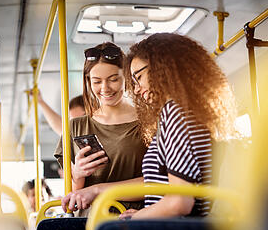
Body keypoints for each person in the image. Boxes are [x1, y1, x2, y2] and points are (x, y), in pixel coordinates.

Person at [119, 33, 237, 219]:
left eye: (139, 77)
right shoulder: (192, 111)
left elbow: (179, 202)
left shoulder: (176, 112)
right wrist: (146, 212)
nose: (136, 89)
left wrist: (135, 219)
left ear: (162, 67)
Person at [54, 42, 148, 215]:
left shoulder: (148, 121)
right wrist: (78, 174)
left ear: (126, 78)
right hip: (89, 223)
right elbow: (72, 195)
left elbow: (158, 182)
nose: (105, 88)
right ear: (88, 81)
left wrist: (98, 189)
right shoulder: (75, 126)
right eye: (97, 81)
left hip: (134, 220)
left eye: (113, 79)